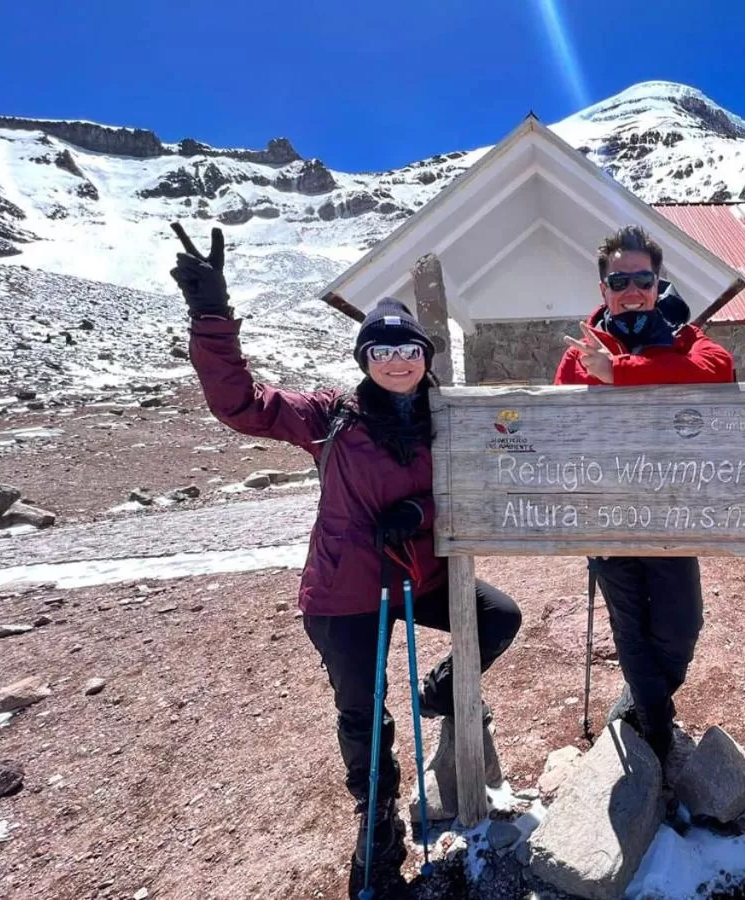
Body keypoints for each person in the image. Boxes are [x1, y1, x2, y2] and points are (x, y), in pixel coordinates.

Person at [168, 225, 522, 898]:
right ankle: (377, 833)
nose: (396, 361)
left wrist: (423, 514)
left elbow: (479, 482)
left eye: (408, 349)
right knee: (364, 715)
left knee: (497, 617)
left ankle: (437, 694)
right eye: (382, 349)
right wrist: (211, 316)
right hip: (345, 593)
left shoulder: (445, 417)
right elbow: (240, 405)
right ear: (365, 358)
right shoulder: (331, 415)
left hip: (421, 573)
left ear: (424, 357)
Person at [553, 224, 735, 763]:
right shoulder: (583, 351)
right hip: (606, 512)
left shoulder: (683, 335)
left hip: (671, 510)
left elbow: (717, 371)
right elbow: (563, 420)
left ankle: (637, 706)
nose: (631, 289)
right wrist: (607, 371)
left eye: (642, 278)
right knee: (629, 627)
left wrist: (620, 372)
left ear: (658, 283)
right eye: (619, 279)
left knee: (682, 626)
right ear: (603, 287)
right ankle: (656, 735)